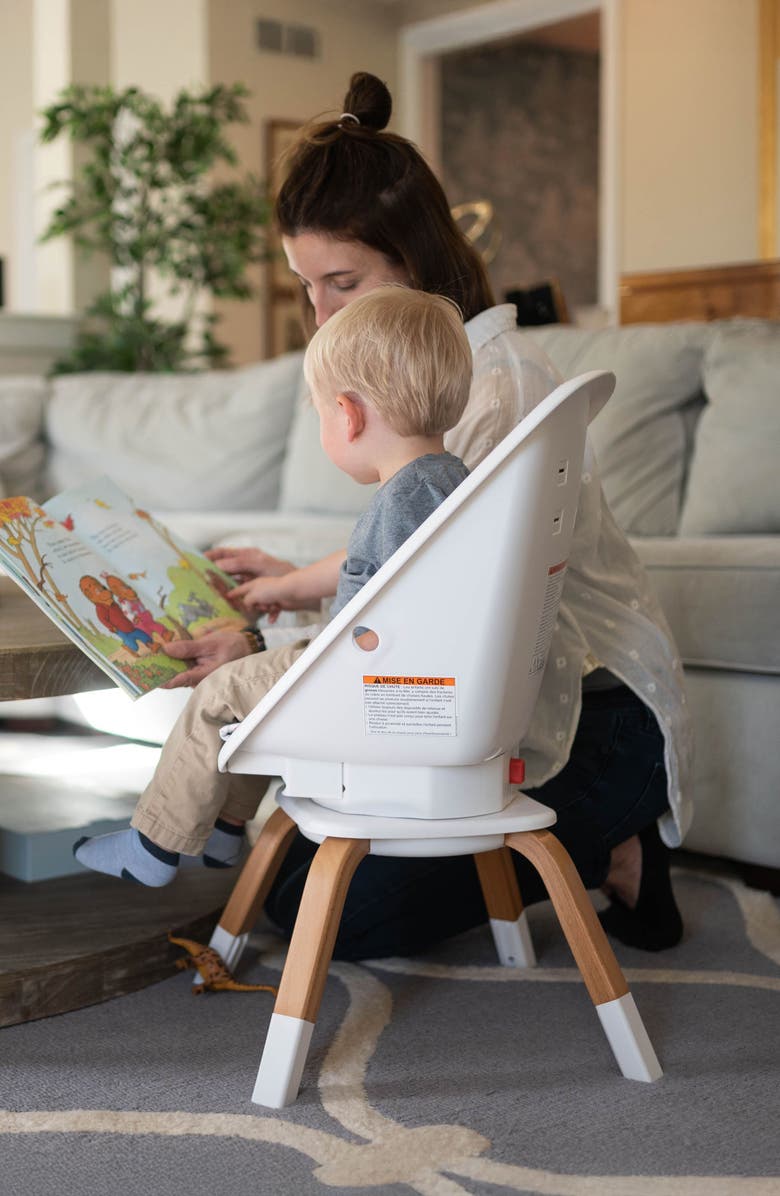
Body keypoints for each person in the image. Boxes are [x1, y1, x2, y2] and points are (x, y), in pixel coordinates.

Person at [150, 72, 692, 955]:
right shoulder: (437, 374)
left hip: (592, 710)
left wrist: (258, 654)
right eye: (305, 286)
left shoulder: (499, 387)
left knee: (326, 918)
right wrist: (286, 585)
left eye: (343, 281)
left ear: (418, 261)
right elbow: (419, 545)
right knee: (293, 879)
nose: (320, 315)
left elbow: (432, 607)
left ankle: (617, 832)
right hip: (499, 687)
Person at [73, 286, 472, 884]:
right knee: (256, 693)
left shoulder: (401, 498)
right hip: (411, 681)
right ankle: (228, 830)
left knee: (221, 694)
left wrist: (283, 648)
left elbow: (369, 624)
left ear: (350, 414)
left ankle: (155, 842)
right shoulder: (453, 479)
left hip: (376, 686)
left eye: (318, 413)